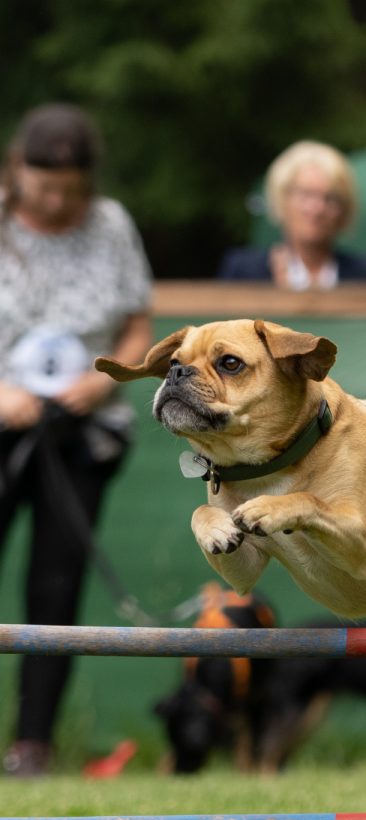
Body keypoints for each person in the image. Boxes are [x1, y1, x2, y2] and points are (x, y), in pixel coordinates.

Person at [0, 103, 153, 778]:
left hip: (82, 430)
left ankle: (31, 744)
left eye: (71, 188)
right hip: (5, 420)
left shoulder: (111, 222)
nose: (58, 201)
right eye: (43, 187)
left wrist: (106, 378)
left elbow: (138, 321)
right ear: (16, 171)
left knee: (56, 587)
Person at [217, 140, 366, 287]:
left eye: (330, 198)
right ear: (282, 198)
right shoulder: (244, 271)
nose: (317, 208)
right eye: (306, 195)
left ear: (344, 209)